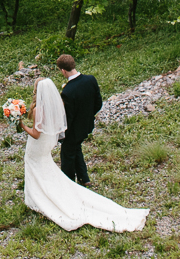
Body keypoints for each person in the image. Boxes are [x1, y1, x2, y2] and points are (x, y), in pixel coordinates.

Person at [21, 77, 149, 232]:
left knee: (34, 165)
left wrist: (20, 124)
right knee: (44, 166)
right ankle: (41, 194)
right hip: (46, 143)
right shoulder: (55, 105)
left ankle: (38, 198)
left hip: (38, 144)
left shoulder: (37, 110)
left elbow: (35, 134)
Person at [57, 53, 102, 185]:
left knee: (67, 157)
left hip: (73, 131)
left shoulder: (68, 91)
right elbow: (98, 103)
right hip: (87, 125)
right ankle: (84, 178)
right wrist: (88, 115)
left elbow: (68, 117)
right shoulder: (90, 80)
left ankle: (69, 184)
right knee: (76, 149)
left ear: (63, 70)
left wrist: (63, 134)